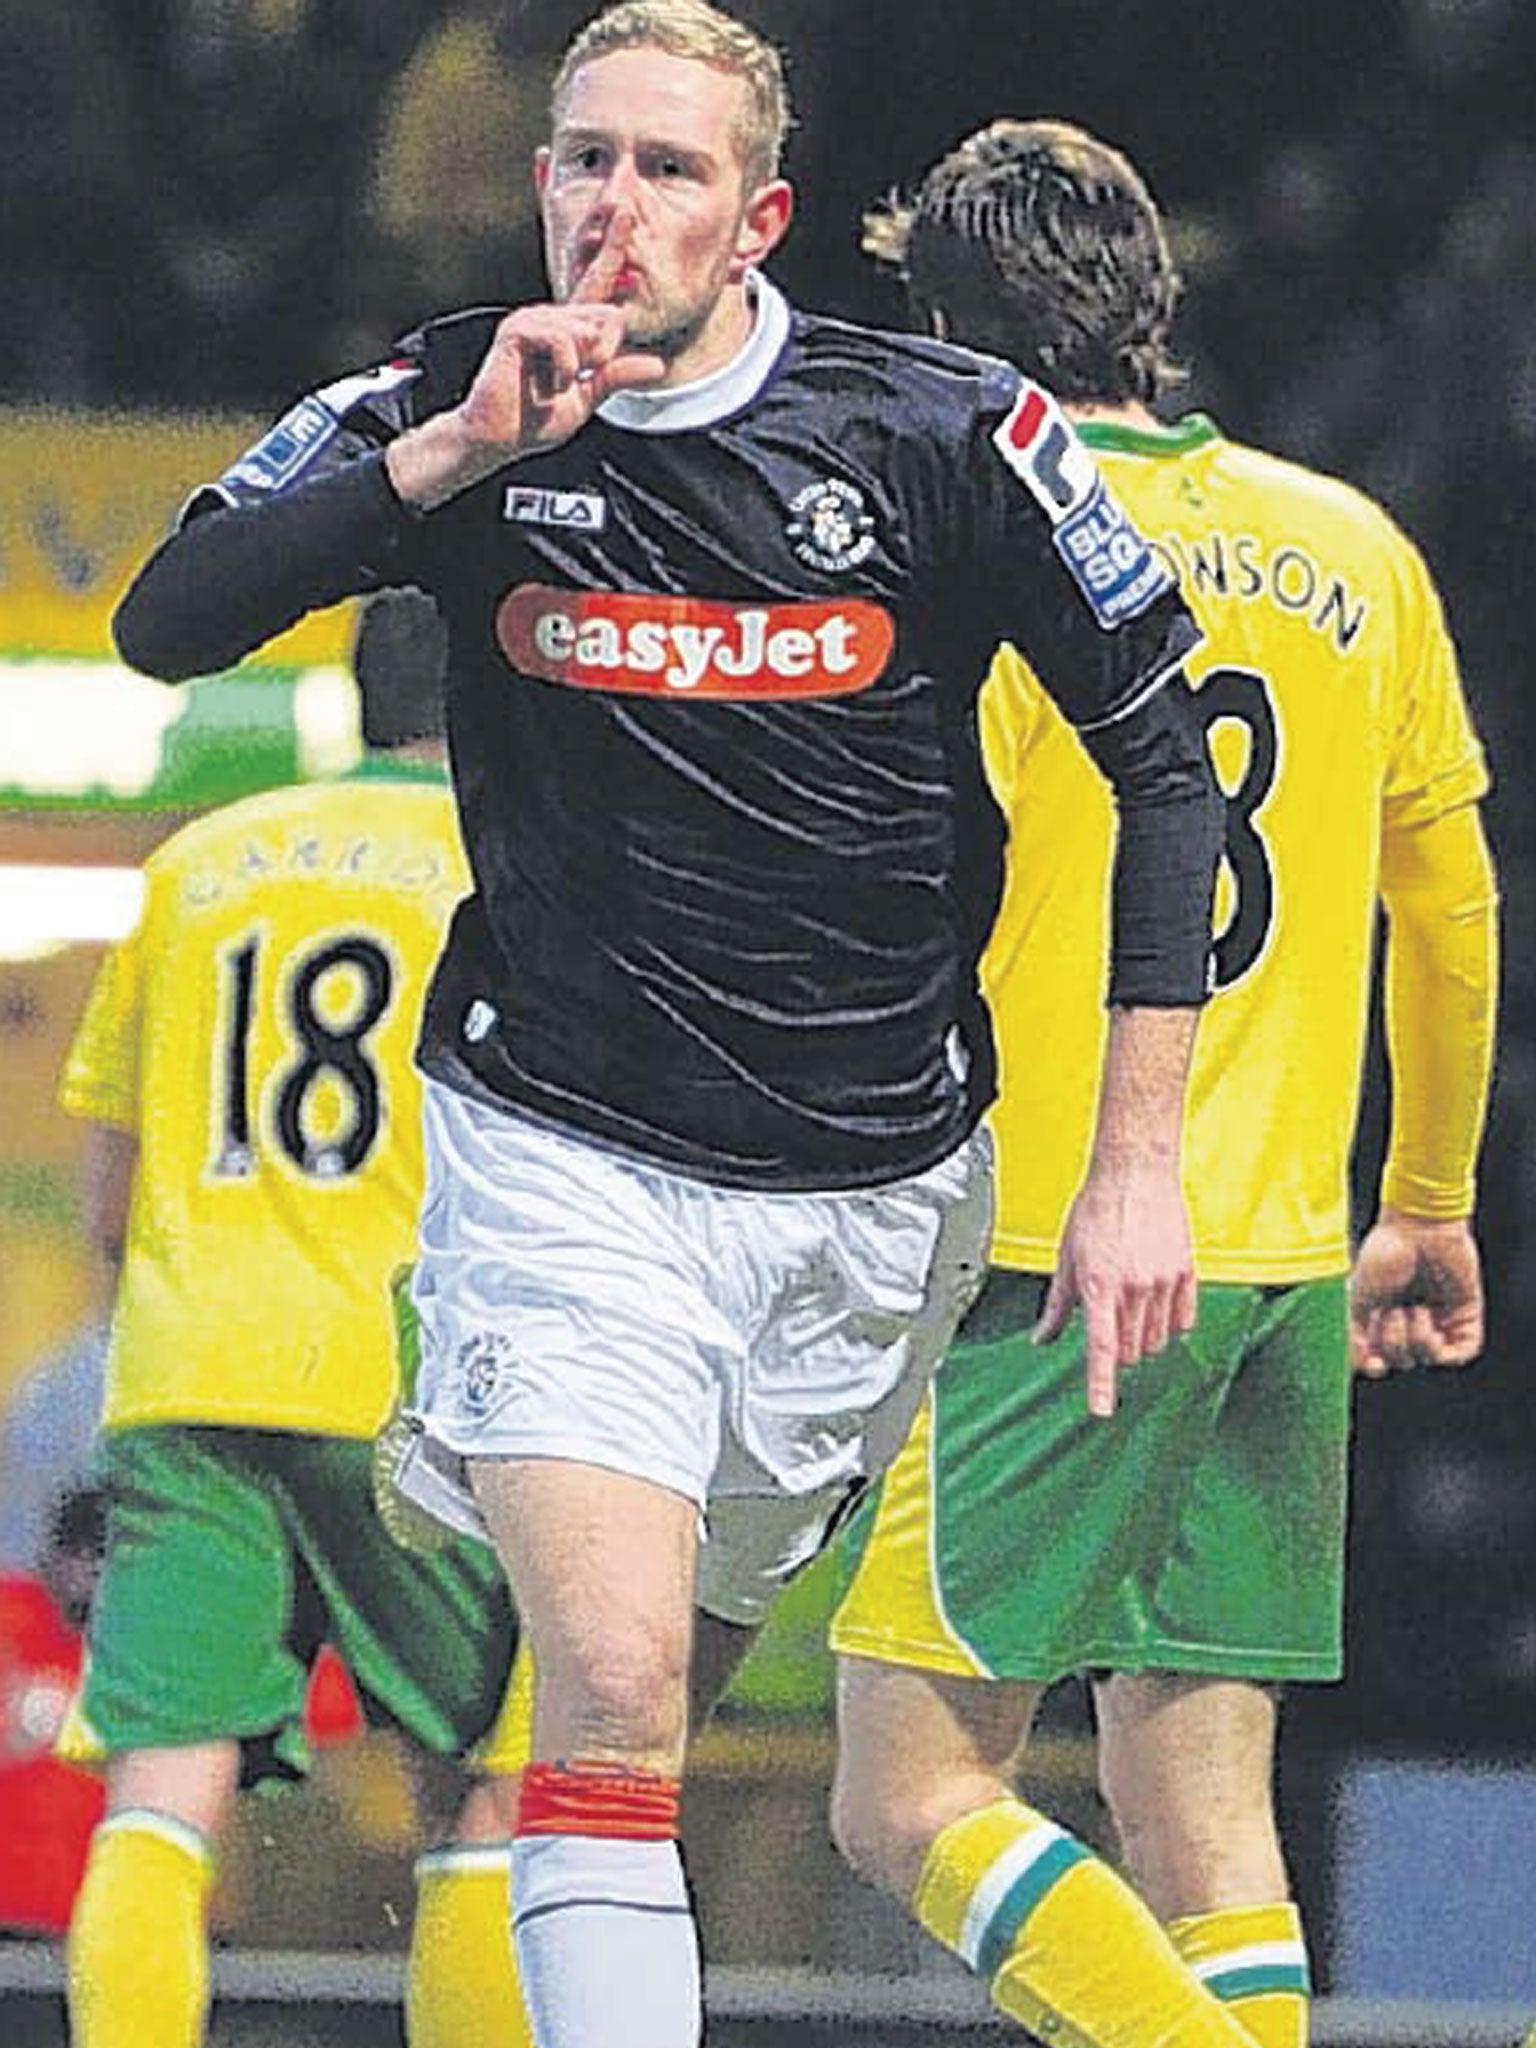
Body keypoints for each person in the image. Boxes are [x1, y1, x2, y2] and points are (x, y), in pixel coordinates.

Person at [107, 7, 1234, 2043]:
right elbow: (167, 622)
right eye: (586, 160)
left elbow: (1169, 773)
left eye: (670, 169)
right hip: (561, 1158)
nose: (615, 207)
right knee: (609, 1685)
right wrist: (456, 461)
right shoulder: (442, 398)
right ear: (540, 183)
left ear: (763, 218)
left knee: (667, 1685)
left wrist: (1136, 1162)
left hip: (870, 1191)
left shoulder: (947, 433)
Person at [827, 118, 1499, 2048]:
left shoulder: (967, 539)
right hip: (1281, 1261)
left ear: (947, 328)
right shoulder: (1350, 545)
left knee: (904, 1792)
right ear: (1155, 313)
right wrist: (1428, 1200)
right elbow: (1445, 903)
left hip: (1059, 1247)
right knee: (1204, 1816)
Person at [55, 593, 531, 2048]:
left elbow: (108, 1200)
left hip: (190, 1374)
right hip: (409, 1387)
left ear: (352, 704)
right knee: (486, 1800)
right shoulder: (516, 875)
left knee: (159, 1797)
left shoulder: (200, 864)